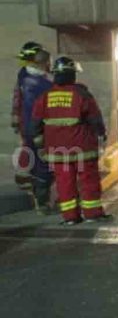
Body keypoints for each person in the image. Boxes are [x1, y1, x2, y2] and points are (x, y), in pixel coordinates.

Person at [30, 57, 110, 225]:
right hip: (82, 147)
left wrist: (39, 142)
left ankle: (70, 217)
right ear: (73, 74)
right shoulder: (82, 94)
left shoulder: (45, 97)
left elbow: (36, 122)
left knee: (64, 183)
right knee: (88, 180)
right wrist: (101, 135)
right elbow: (95, 118)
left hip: (58, 150)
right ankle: (92, 214)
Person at [18, 46, 54, 214]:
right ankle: (43, 203)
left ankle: (37, 198)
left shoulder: (24, 78)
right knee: (44, 166)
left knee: (34, 163)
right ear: (44, 63)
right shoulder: (44, 85)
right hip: (40, 131)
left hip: (28, 129)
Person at [12, 42, 44, 193]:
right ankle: (33, 182)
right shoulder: (33, 78)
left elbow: (17, 99)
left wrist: (15, 119)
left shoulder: (24, 74)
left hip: (28, 121)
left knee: (30, 149)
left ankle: (30, 179)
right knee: (33, 150)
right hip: (33, 122)